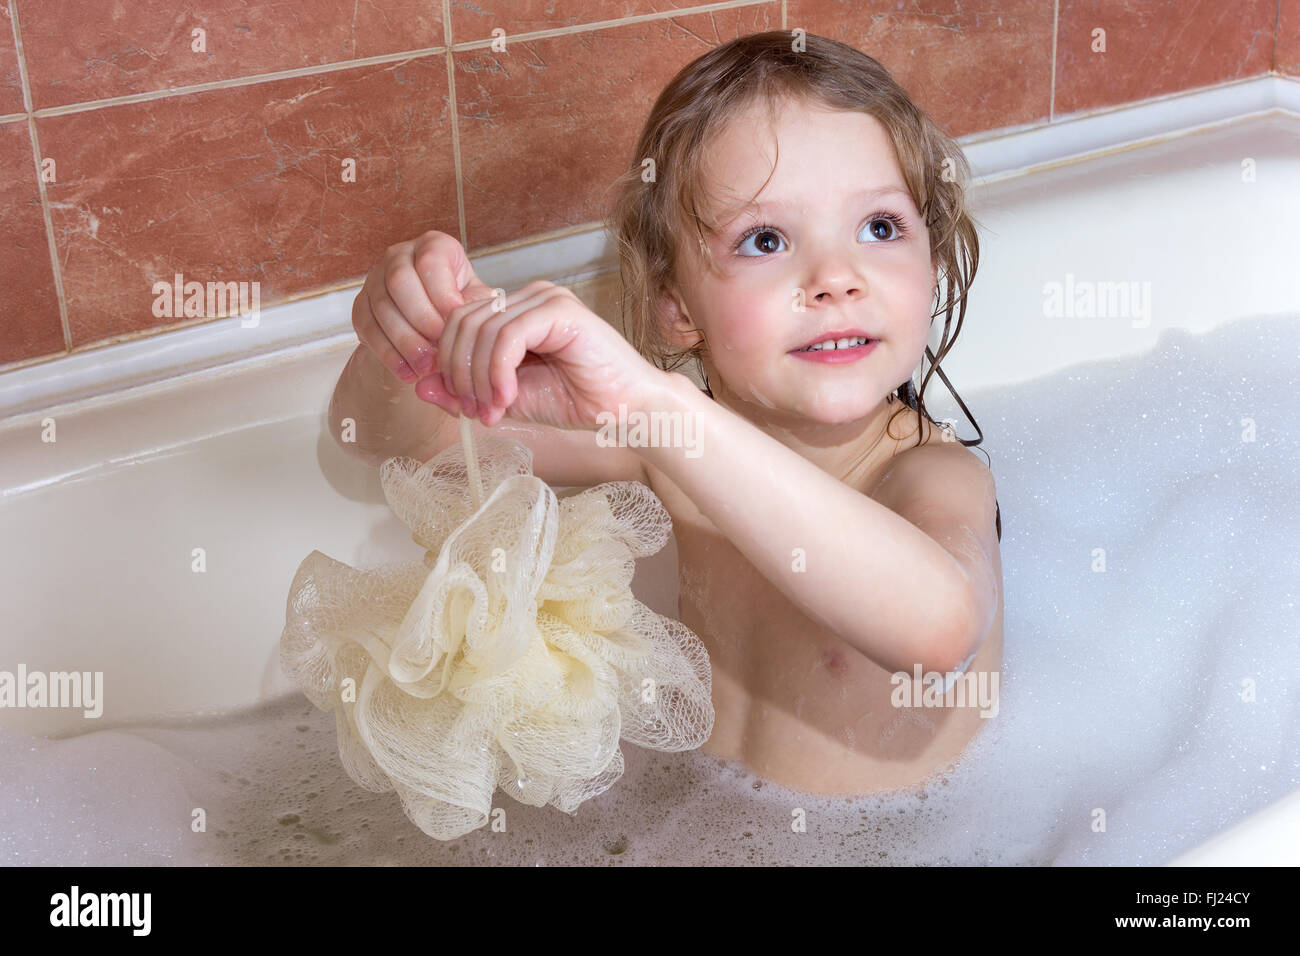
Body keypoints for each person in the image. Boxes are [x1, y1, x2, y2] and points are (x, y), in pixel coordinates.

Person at [330, 31, 1004, 796]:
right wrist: (410, 337)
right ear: (677, 306)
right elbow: (397, 441)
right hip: (712, 819)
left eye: (880, 227)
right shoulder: (669, 452)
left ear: (934, 256)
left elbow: (939, 635)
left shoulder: (932, 474)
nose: (836, 279)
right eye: (767, 239)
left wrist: (653, 406)